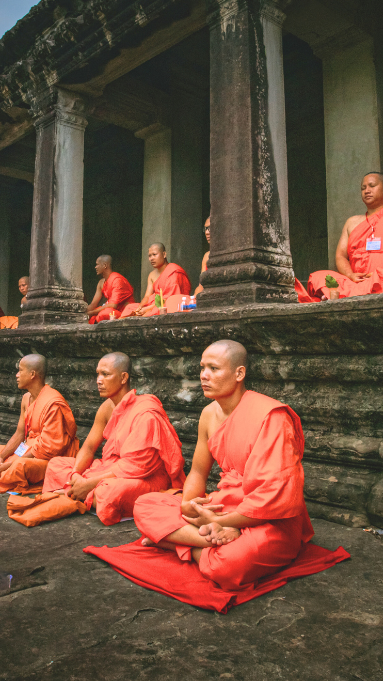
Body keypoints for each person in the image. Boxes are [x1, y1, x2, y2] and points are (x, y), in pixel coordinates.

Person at [133, 340, 315, 591]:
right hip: (222, 506)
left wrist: (229, 522)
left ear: (239, 373)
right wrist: (189, 503)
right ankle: (210, 540)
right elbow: (198, 471)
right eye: (202, 368)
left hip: (268, 519)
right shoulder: (209, 414)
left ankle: (178, 543)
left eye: (214, 369)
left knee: (227, 567)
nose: (204, 376)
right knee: (144, 505)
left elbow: (276, 495)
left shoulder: (271, 417)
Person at [43, 353, 185, 525]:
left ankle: (76, 492)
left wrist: (88, 484)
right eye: (97, 374)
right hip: (111, 468)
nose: (98, 380)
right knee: (56, 464)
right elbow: (88, 447)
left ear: (123, 377)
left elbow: (135, 466)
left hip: (143, 477)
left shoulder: (146, 413)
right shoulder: (106, 408)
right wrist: (75, 474)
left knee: (110, 492)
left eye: (105, 374)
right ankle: (78, 491)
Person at [0, 355, 78, 494]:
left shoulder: (53, 403)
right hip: (25, 450)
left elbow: (50, 448)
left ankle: (4, 474)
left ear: (32, 374)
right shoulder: (26, 398)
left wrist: (12, 462)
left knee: (20, 466)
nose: (16, 375)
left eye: (20, 370)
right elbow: (20, 433)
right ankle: (4, 473)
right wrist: (1, 456)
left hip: (44, 459)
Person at [301, 173, 383, 301]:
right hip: (355, 281)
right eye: (363, 188)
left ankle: (345, 294)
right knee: (319, 277)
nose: (367, 191)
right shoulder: (352, 222)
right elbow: (340, 256)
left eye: (372, 186)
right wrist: (350, 275)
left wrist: (379, 275)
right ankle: (354, 291)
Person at [123, 243, 191, 317]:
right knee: (129, 308)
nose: (151, 258)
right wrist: (140, 307)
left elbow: (170, 297)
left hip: (167, 304)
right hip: (153, 304)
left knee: (161, 308)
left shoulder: (173, 271)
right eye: (149, 256)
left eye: (154, 255)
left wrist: (147, 309)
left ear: (164, 254)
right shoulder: (151, 275)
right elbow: (147, 296)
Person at [87, 255, 135, 323]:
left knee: (104, 313)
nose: (95, 267)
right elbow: (93, 304)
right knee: (96, 314)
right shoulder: (101, 283)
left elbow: (113, 305)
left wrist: (92, 312)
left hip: (124, 312)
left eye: (97, 264)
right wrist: (82, 312)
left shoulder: (117, 280)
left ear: (105, 265)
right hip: (112, 310)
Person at [194, 215, 211, 296]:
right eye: (205, 229)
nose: (207, 232)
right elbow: (201, 285)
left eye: (210, 228)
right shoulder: (207, 256)